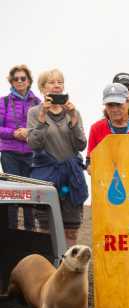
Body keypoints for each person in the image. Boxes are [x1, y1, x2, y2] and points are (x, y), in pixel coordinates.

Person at [27, 68, 87, 246]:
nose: (56, 86)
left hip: (71, 176)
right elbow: (34, 144)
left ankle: (68, 269)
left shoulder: (73, 112)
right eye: (51, 82)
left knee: (71, 229)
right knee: (46, 228)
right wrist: (42, 117)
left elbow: (81, 145)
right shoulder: (34, 112)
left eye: (59, 82)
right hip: (46, 176)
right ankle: (49, 270)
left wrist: (74, 118)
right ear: (43, 88)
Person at [0, 64, 40, 230]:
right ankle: (12, 231)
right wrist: (13, 133)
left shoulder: (38, 103)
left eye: (23, 78)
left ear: (29, 80)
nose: (20, 81)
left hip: (31, 154)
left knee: (31, 194)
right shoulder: (4, 102)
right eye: (16, 78)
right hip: (10, 153)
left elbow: (43, 128)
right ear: (11, 81)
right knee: (12, 195)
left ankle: (31, 231)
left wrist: (28, 132)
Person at [87, 83, 129, 159]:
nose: (114, 109)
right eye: (110, 105)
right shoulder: (96, 129)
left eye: (118, 104)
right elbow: (90, 160)